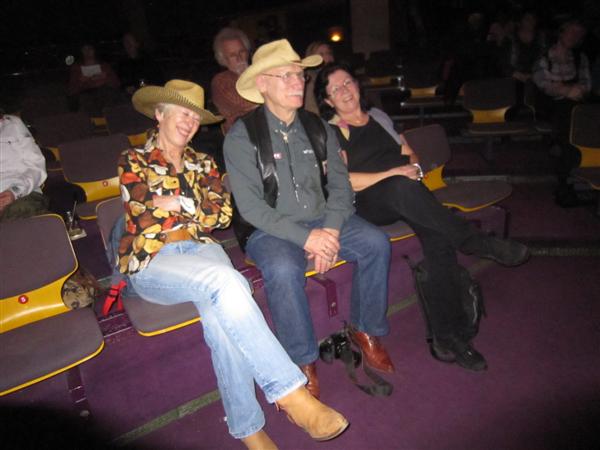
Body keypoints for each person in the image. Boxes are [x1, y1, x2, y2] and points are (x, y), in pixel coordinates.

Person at [119, 79, 348, 449]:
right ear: (159, 114)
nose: (189, 122)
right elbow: (142, 215)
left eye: (195, 116)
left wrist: (175, 205)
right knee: (228, 283)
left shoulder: (203, 162)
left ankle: (248, 428)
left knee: (220, 314)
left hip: (204, 253)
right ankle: (291, 394)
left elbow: (222, 215)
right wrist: (194, 206)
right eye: (181, 112)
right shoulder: (133, 160)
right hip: (154, 259)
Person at [314, 62, 531, 371]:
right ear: (327, 100)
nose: (345, 91)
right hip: (368, 201)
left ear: (357, 85)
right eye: (335, 89)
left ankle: (449, 338)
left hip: (407, 194)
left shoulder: (380, 117)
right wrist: (394, 174)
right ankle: (474, 241)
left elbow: (411, 154)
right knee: (401, 188)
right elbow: (344, 181)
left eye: (347, 82)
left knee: (439, 240)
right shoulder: (332, 131)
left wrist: (413, 168)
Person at [224, 39, 395, 400]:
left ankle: (364, 328)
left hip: (322, 218)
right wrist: (308, 239)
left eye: (299, 75)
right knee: (284, 269)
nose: (297, 83)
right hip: (269, 228)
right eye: (285, 75)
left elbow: (341, 186)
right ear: (262, 84)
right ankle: (301, 359)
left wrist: (329, 230)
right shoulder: (242, 136)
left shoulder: (318, 127)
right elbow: (251, 208)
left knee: (376, 243)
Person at [532, 19, 592, 206]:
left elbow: (586, 84)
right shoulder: (545, 57)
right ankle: (565, 184)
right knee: (568, 128)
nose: (574, 37)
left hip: (575, 106)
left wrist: (573, 90)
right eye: (571, 32)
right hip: (552, 107)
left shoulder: (580, 58)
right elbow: (543, 84)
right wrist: (565, 90)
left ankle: (574, 178)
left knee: (581, 118)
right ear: (562, 32)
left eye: (578, 34)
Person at [0, 112, 49, 221]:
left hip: (23, 193)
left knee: (19, 210)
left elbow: (37, 167)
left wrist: (14, 192)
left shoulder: (13, 124)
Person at [210, 27, 257, 133]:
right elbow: (246, 103)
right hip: (244, 138)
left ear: (248, 52)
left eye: (242, 52)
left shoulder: (258, 73)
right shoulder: (221, 81)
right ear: (223, 60)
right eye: (232, 55)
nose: (239, 58)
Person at [67, 42, 121, 116]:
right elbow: (71, 90)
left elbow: (117, 83)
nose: (88, 52)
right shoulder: (76, 68)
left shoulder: (104, 66)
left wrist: (106, 78)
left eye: (90, 49)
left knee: (108, 94)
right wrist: (81, 81)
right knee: (86, 99)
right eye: (85, 49)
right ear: (81, 52)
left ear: (95, 50)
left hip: (104, 91)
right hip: (86, 93)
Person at [117, 32, 164, 96]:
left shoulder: (148, 60)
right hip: (129, 95)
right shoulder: (122, 63)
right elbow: (120, 81)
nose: (128, 44)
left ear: (137, 44)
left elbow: (158, 79)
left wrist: (142, 86)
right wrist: (126, 87)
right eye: (125, 42)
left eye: (130, 41)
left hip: (149, 92)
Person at [304, 41, 335, 115]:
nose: (327, 57)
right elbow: (310, 108)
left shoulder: (336, 75)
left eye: (329, 53)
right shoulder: (310, 77)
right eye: (321, 54)